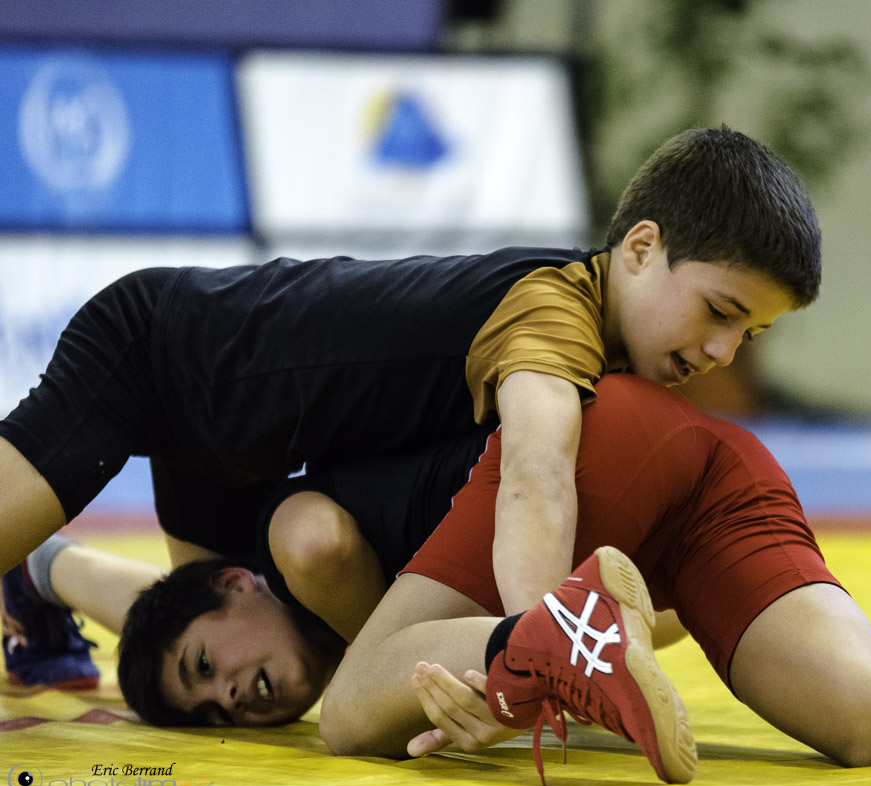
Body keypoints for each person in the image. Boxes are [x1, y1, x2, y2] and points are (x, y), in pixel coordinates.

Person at [0, 126, 822, 688]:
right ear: (639, 247)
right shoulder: (556, 316)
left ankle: (45, 570)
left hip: (241, 444)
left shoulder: (597, 341)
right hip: (155, 350)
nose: (724, 351)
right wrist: (537, 651)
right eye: (720, 312)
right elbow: (534, 476)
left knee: (222, 636)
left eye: (748, 334)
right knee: (276, 641)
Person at [117, 374, 871, 785]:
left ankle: (538, 636)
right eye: (210, 709)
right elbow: (653, 615)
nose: (233, 696)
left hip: (592, 444)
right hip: (702, 481)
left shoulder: (294, 549)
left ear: (230, 587)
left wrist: (44, 561)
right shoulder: (351, 636)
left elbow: (302, 554)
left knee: (356, 712)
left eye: (206, 665)